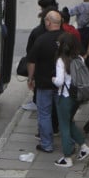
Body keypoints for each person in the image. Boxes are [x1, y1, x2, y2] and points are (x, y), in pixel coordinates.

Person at [52, 34, 89, 167]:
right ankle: (84, 147)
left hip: (64, 97)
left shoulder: (61, 61)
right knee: (69, 123)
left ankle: (67, 157)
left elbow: (59, 81)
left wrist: (52, 79)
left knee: (64, 127)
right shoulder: (80, 58)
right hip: (76, 97)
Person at [27, 11, 63, 154]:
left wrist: (30, 78)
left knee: (44, 114)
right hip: (64, 86)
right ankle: (70, 143)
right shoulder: (67, 38)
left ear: (48, 22)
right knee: (63, 114)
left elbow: (31, 61)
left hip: (44, 83)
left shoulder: (41, 39)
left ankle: (47, 144)